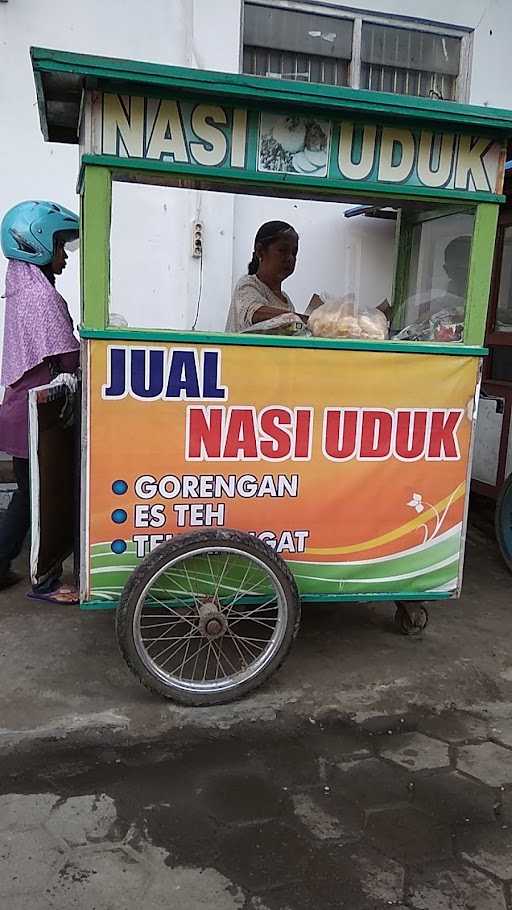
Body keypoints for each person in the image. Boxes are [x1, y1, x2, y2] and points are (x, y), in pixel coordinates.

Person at [0, 200, 80, 602]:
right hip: (34, 415)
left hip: (22, 409)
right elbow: (67, 357)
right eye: (59, 246)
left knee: (29, 495)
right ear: (35, 244)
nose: (64, 254)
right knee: (41, 499)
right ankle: (44, 582)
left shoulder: (25, 288)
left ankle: (1, 565)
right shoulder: (39, 297)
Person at [226, 221, 306, 332]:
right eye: (282, 250)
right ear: (260, 251)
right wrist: (308, 320)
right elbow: (254, 313)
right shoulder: (247, 285)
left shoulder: (287, 301)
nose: (290, 258)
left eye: (294, 252)